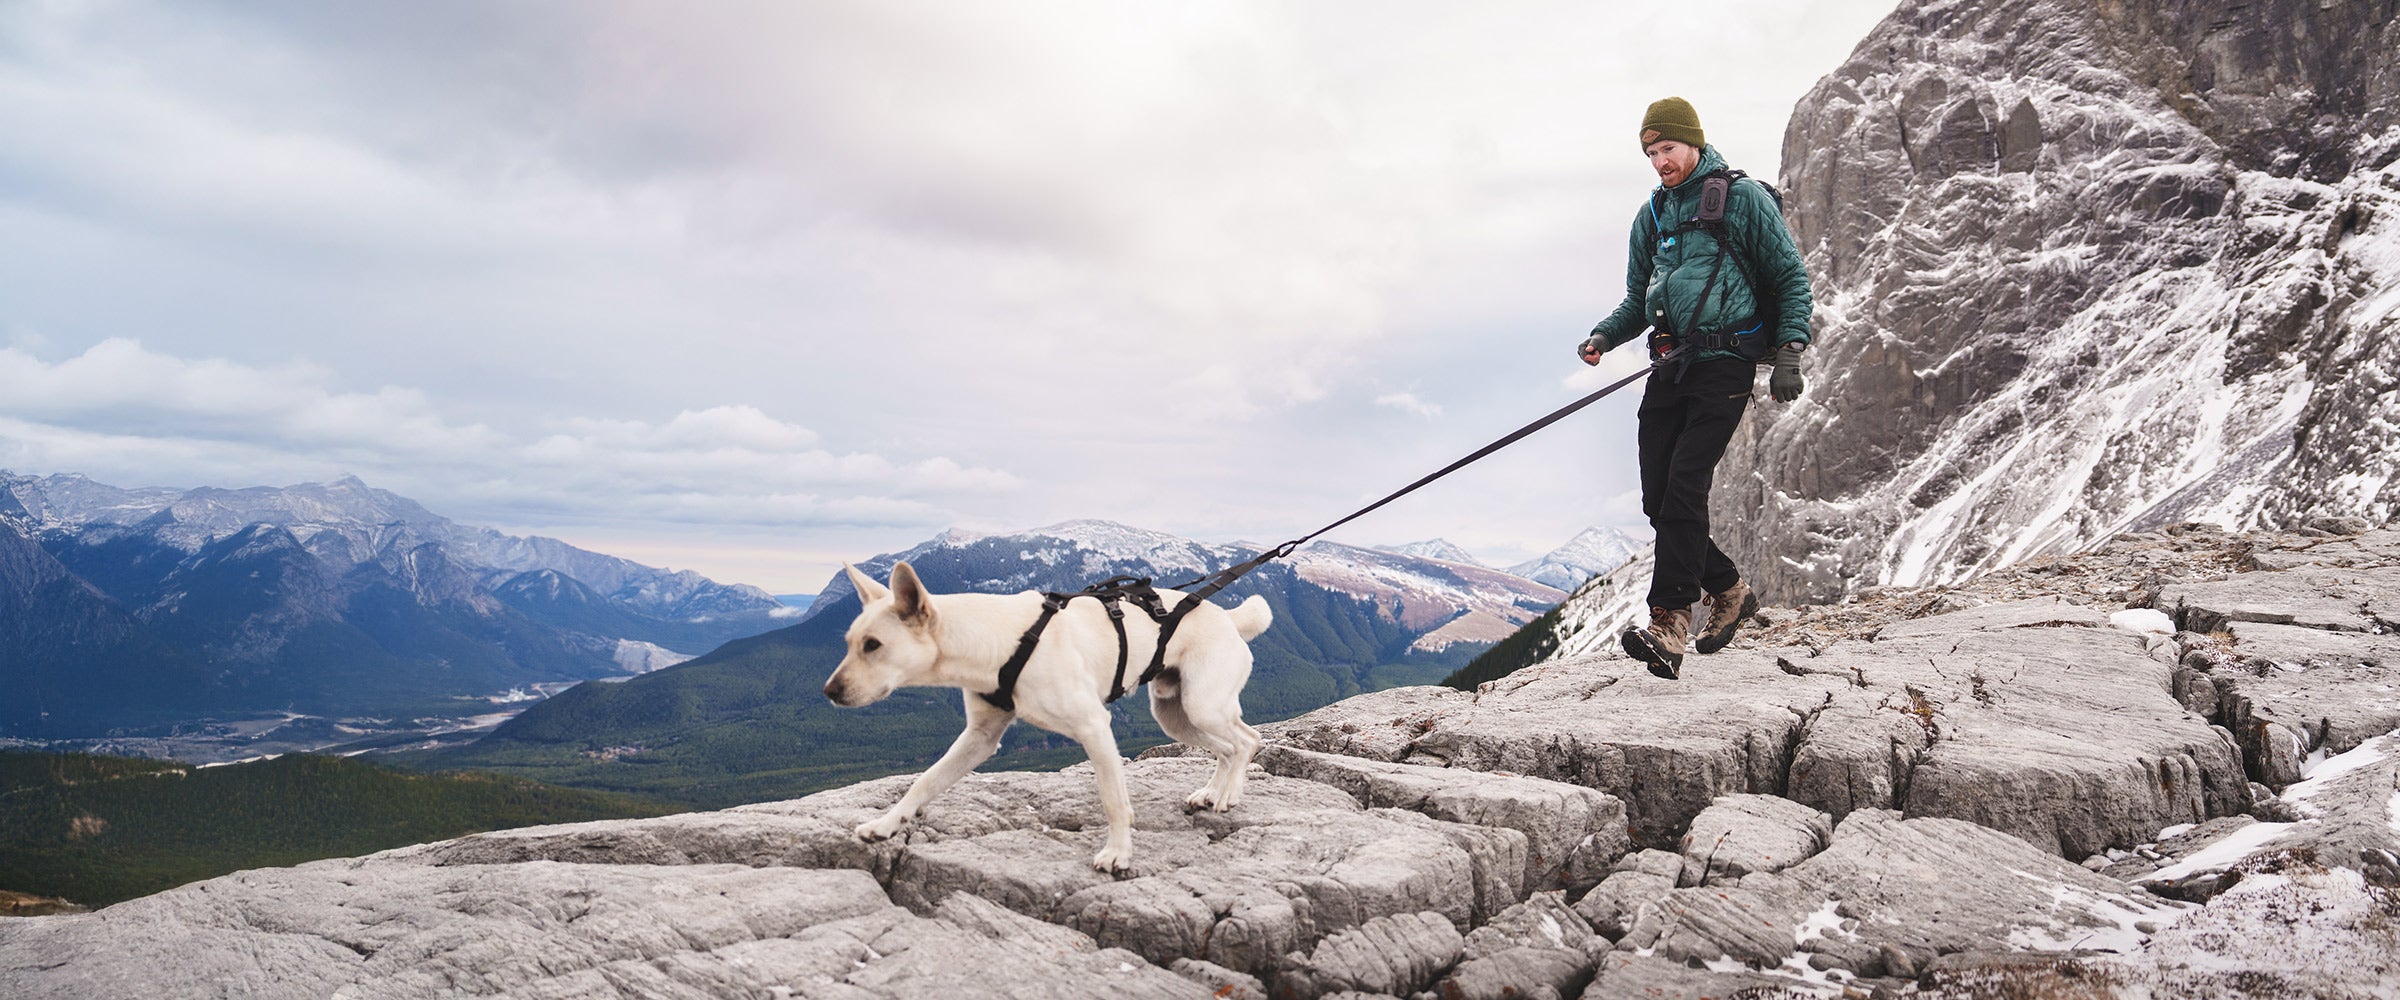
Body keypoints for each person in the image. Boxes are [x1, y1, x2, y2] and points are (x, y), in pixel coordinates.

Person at [1578, 97, 1812, 680]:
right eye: (1651, 152)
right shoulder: (1652, 215)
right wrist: (1606, 335)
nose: (1660, 161)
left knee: (1685, 483)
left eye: (1668, 149)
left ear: (1695, 143)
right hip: (1670, 364)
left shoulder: (1740, 198)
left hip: (1725, 364)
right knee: (1657, 498)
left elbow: (1787, 273)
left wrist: (1789, 350)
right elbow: (1639, 297)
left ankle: (1669, 622)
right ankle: (1730, 590)